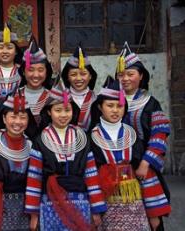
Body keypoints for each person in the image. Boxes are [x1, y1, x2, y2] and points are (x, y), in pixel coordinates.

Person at [34, 79, 106, 230]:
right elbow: (34, 177)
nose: (63, 115)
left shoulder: (83, 138)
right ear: (48, 111)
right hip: (50, 202)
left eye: (67, 110)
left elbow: (91, 174)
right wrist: (33, 213)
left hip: (80, 202)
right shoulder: (40, 140)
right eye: (58, 110)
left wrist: (96, 209)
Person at [116, 42, 171, 230]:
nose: (125, 79)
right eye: (121, 74)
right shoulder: (111, 102)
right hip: (117, 168)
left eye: (130, 74)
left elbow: (160, 134)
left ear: (141, 76)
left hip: (143, 166)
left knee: (152, 218)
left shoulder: (151, 103)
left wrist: (146, 163)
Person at [0, 92, 42, 231]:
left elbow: (38, 182)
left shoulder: (33, 147)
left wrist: (34, 213)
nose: (17, 122)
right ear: (4, 118)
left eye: (23, 117)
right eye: (13, 117)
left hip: (25, 209)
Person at [90, 76, 152, 230]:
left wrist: (154, 212)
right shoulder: (90, 137)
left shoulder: (132, 136)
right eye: (110, 105)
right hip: (105, 200)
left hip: (133, 201)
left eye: (120, 106)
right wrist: (95, 209)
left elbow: (146, 174)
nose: (115, 110)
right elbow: (88, 175)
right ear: (100, 107)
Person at [18, 37, 53, 139]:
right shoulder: (14, 96)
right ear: (23, 72)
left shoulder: (53, 98)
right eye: (30, 70)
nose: (36, 75)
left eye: (41, 70)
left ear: (47, 72)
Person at [61, 46, 98, 131]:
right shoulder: (60, 99)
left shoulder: (96, 100)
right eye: (73, 74)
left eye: (83, 74)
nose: (78, 78)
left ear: (90, 76)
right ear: (67, 77)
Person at [0, 23, 23, 99]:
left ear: (16, 51)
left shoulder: (23, 72)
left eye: (9, 48)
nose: (5, 51)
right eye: (0, 47)